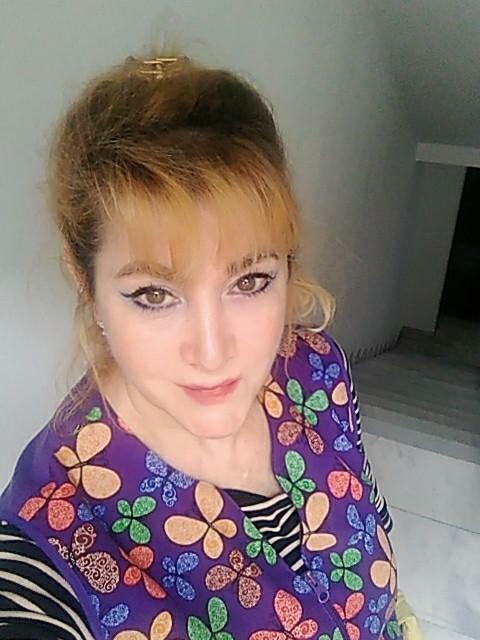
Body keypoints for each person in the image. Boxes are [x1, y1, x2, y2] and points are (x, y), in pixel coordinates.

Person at [0, 50, 423, 640]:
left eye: (250, 281)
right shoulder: (53, 534)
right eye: (154, 294)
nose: (213, 351)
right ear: (86, 283)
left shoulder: (316, 369)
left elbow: (371, 522)